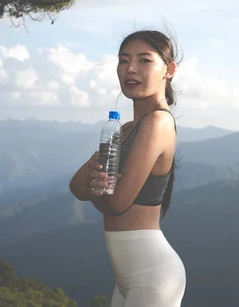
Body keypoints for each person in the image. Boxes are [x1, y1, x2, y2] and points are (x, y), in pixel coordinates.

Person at [69, 30, 186, 307]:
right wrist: (95, 183)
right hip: (129, 278)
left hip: (153, 276)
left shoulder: (158, 122)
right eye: (123, 60)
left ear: (168, 70)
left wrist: (95, 187)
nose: (130, 68)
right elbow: (76, 186)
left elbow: (116, 204)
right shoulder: (125, 129)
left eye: (144, 60)